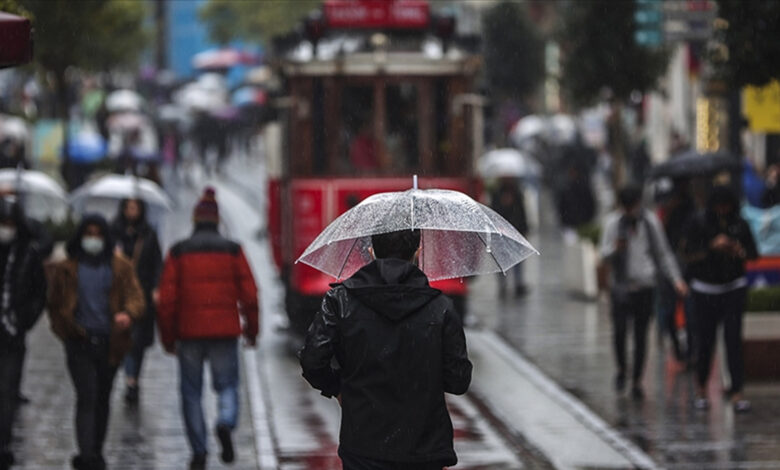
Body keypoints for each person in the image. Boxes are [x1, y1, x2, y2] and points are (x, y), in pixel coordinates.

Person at [299, 229, 473, 470]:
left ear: (371, 253)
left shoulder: (340, 301)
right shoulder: (440, 308)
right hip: (424, 449)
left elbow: (312, 360)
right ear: (417, 253)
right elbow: (459, 381)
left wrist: (338, 389)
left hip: (363, 447)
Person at [157, 188, 259, 470]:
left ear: (194, 220)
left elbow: (166, 301)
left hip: (189, 334)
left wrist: (168, 338)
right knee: (227, 385)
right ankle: (225, 421)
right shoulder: (233, 250)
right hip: (225, 331)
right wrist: (252, 331)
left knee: (191, 392)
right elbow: (250, 295)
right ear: (217, 221)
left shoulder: (178, 252)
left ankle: (199, 450)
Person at [47, 214, 145, 470]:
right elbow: (55, 304)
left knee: (102, 397)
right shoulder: (68, 268)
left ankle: (96, 450)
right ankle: (87, 454)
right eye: (88, 233)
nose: (93, 239)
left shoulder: (119, 266)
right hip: (79, 342)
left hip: (109, 343)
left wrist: (128, 314)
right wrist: (65, 330)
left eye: (97, 233)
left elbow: (136, 297)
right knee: (87, 395)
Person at [600, 185, 688, 399]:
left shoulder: (650, 223)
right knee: (620, 332)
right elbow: (603, 254)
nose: (631, 211)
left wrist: (677, 280)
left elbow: (663, 253)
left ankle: (637, 379)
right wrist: (614, 248)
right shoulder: (613, 223)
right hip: (621, 287)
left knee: (641, 335)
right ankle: (622, 369)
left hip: (645, 287)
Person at [680, 185, 758, 412]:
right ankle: (701, 388)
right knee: (705, 342)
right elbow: (686, 253)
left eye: (727, 206)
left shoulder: (740, 224)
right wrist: (711, 247)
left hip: (733, 288)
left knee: (733, 341)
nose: (723, 210)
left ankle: (737, 391)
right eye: (719, 206)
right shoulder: (698, 222)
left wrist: (738, 250)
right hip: (705, 290)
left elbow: (753, 253)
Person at [0, 197, 46, 470]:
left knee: (7, 391)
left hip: (12, 334)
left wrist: (23, 320)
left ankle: (2, 443)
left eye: (9, 223)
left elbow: (38, 293)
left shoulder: (28, 255)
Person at [111, 199, 163, 405]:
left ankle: (133, 379)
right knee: (123, 337)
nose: (132, 212)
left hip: (141, 294)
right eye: (129, 208)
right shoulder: (113, 232)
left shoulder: (148, 233)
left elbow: (157, 262)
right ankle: (129, 378)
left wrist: (156, 288)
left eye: (136, 208)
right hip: (117, 294)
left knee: (137, 341)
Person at [490, 179, 529, 296]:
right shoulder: (497, 193)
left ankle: (518, 284)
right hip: (501, 232)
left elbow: (521, 212)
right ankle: (503, 285)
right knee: (502, 260)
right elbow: (494, 212)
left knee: (517, 260)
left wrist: (524, 228)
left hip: (515, 231)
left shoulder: (517, 193)